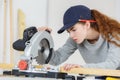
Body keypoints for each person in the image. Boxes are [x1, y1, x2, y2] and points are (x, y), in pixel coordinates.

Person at [38, 5, 120, 71]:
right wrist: (42, 41)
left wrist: (82, 68)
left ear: (87, 25)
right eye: (69, 32)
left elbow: (112, 64)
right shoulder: (75, 39)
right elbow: (56, 60)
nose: (71, 35)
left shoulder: (114, 34)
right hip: (103, 74)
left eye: (74, 29)